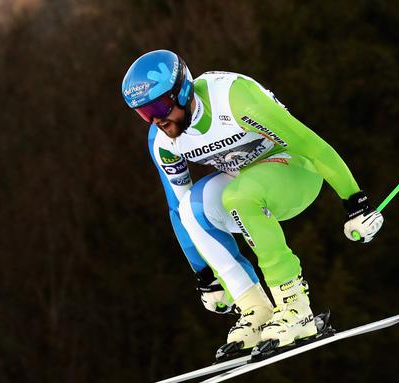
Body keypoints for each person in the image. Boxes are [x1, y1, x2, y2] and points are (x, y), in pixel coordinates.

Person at [121, 49, 384, 358]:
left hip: (295, 172)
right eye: (143, 113)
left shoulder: (232, 98)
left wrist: (356, 202)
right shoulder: (162, 142)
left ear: (183, 91)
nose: (156, 120)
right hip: (247, 182)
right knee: (192, 210)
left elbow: (309, 144)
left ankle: (294, 305)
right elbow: (176, 207)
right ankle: (255, 309)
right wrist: (205, 277)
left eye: (159, 107)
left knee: (239, 195)